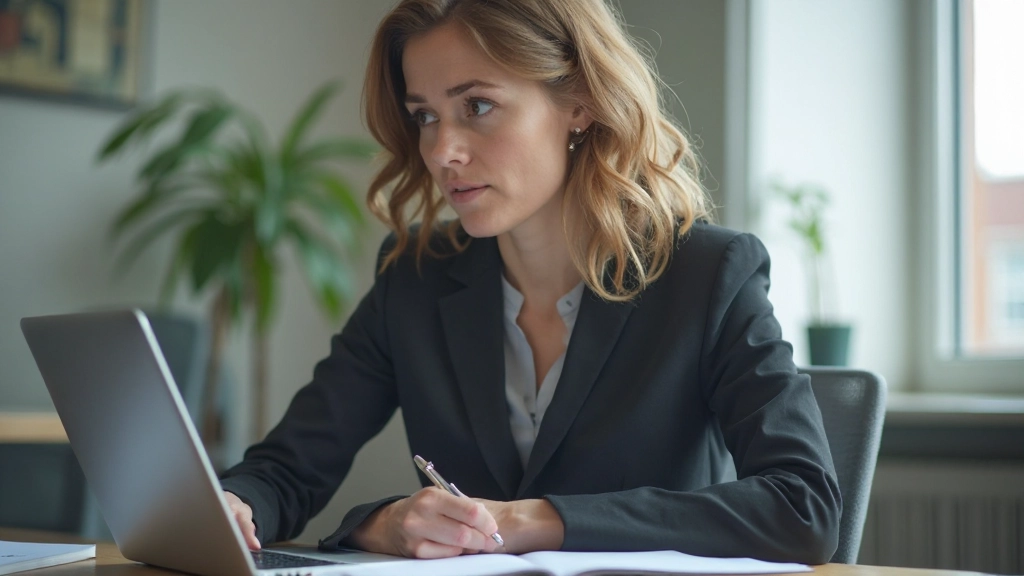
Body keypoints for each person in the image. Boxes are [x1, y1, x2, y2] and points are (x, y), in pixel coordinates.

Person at [219, 0, 841, 564]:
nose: (442, 151)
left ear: (579, 103)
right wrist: (332, 517)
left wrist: (531, 521)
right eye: (425, 116)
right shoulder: (415, 279)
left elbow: (802, 506)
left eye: (477, 106)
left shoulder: (707, 274)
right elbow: (286, 470)